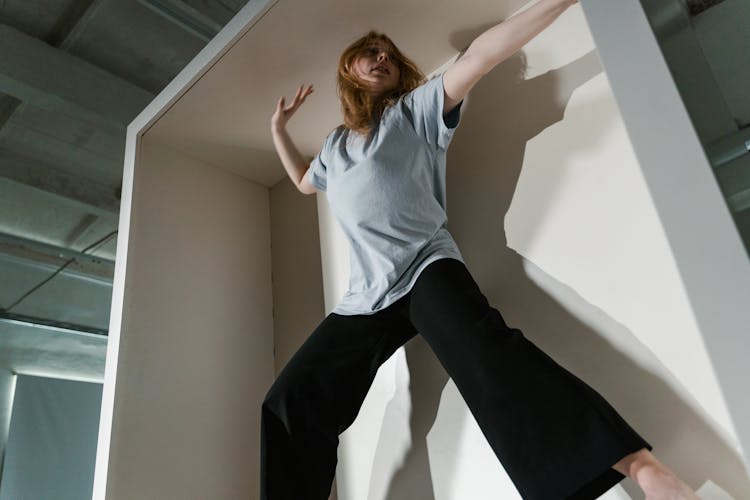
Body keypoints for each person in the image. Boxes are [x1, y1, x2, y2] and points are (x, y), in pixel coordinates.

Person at [265, 0, 699, 498]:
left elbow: (480, 56)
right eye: (370, 52)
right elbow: (302, 182)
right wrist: (278, 129)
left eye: (388, 52)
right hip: (367, 297)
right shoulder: (334, 147)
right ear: (349, 71)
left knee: (491, 359)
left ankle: (645, 471)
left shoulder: (415, 112)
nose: (382, 56)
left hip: (426, 268)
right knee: (288, 400)